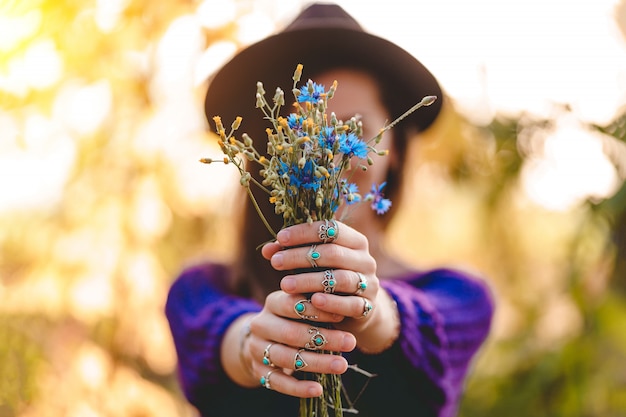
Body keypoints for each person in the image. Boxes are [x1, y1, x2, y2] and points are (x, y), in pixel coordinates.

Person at [165, 3, 494, 417]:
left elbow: (428, 328)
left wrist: (370, 310)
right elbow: (219, 334)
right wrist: (251, 345)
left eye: (352, 129)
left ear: (392, 150)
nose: (327, 155)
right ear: (269, 156)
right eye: (305, 133)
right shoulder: (202, 292)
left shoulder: (458, 296)